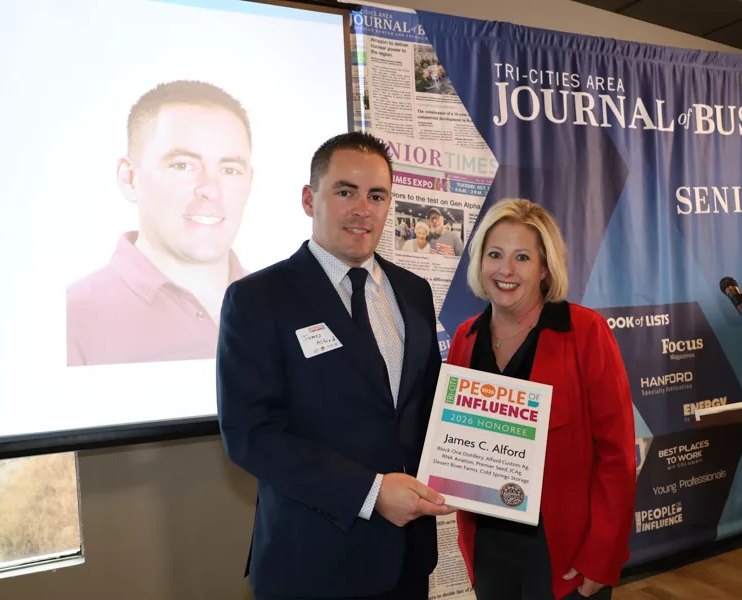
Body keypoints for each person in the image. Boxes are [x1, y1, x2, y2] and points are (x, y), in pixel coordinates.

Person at [216, 131, 454, 600]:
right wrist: (371, 491)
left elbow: (425, 407)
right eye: (345, 191)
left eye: (376, 195)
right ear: (310, 199)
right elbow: (251, 435)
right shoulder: (258, 299)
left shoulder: (413, 292)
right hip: (314, 563)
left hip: (408, 559)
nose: (362, 209)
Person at [445, 198, 636, 599]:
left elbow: (617, 455)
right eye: (494, 254)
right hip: (489, 549)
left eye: (522, 257)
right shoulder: (464, 339)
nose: (506, 270)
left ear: (545, 268)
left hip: (563, 555)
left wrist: (601, 557)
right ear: (479, 261)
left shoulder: (585, 332)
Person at [67, 80, 254, 367]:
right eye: (183, 165)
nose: (211, 189)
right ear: (129, 178)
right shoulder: (71, 318)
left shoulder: (285, 304)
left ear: (249, 182)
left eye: (229, 169)